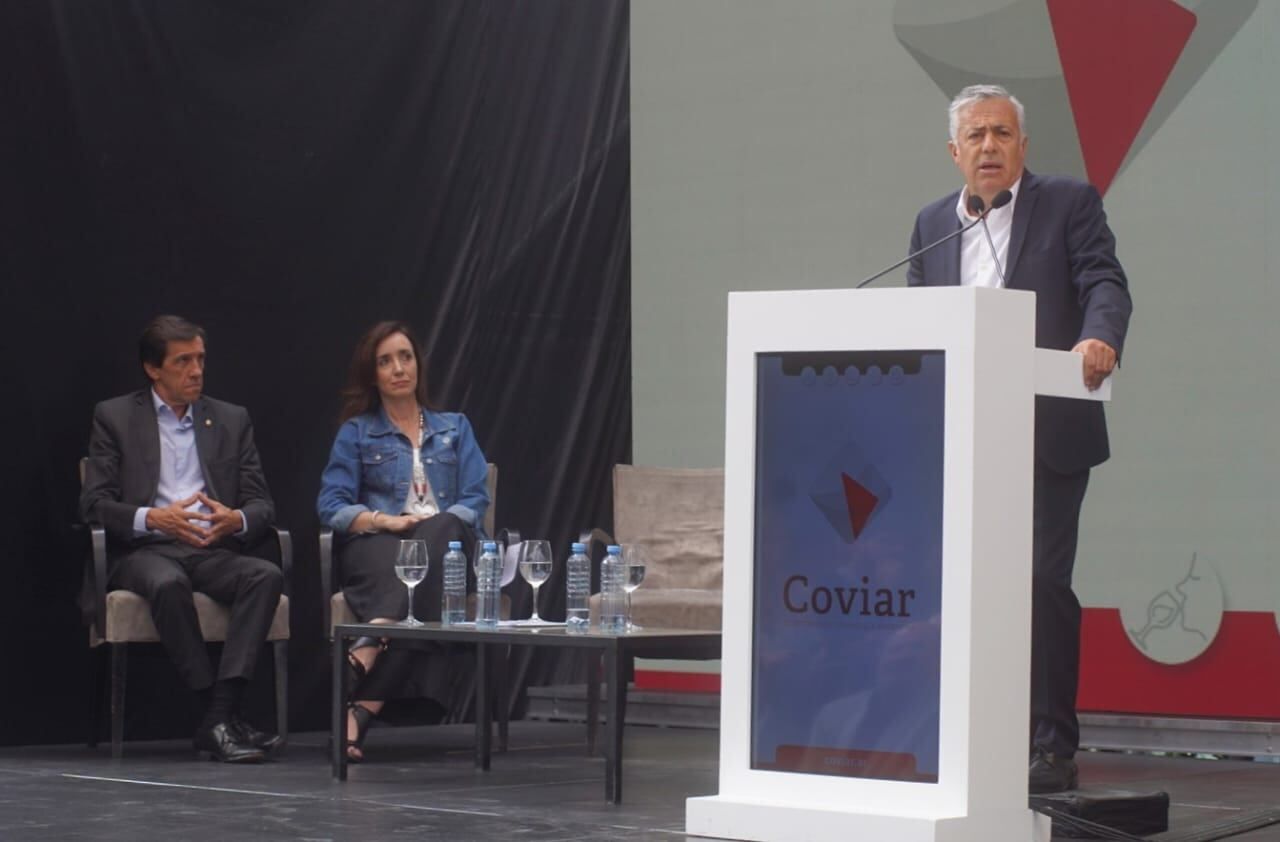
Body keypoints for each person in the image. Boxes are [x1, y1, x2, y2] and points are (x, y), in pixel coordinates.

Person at [906, 85, 1132, 793]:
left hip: (1047, 433)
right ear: (954, 152)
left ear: (1023, 146)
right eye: (975, 136)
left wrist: (1098, 334)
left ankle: (1051, 746)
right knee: (961, 588)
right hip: (963, 439)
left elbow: (1104, 280)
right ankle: (967, 734)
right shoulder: (932, 224)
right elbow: (918, 321)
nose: (989, 147)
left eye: (1002, 133)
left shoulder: (1068, 203)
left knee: (1039, 584)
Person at [80, 315, 285, 763]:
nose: (196, 371)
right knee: (167, 583)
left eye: (200, 360)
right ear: (154, 369)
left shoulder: (231, 419)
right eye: (183, 362)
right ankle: (220, 718)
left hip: (210, 547)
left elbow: (262, 504)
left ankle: (218, 717)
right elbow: (94, 505)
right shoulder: (114, 417)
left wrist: (237, 520)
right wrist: (152, 518)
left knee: (265, 575)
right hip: (145, 549)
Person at [317, 320, 490, 762]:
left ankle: (371, 643)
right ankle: (362, 711)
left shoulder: (455, 426)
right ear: (372, 374)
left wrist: (431, 525)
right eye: (386, 361)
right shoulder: (356, 432)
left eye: (406, 357)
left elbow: (475, 499)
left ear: (418, 364)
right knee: (420, 590)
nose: (398, 368)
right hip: (380, 549)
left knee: (446, 528)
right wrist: (385, 521)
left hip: (446, 546)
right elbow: (330, 506)